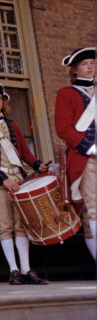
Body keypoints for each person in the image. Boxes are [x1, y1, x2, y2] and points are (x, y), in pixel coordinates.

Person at [0, 84, 49, 285]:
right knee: (5, 226)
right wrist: (3, 179)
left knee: (22, 225)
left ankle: (26, 269)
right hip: (0, 184)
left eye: (0, 98)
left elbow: (24, 152)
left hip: (19, 181)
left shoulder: (13, 126)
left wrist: (37, 164)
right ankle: (13, 270)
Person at [55, 47, 96, 260]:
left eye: (92, 62)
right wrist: (89, 147)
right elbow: (63, 128)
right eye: (84, 64)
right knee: (93, 210)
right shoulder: (66, 93)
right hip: (85, 158)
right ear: (75, 70)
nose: (90, 67)